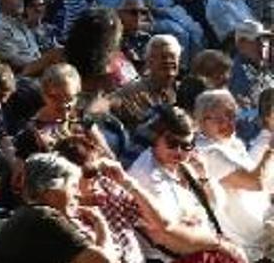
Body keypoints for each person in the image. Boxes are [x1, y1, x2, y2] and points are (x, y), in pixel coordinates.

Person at [127, 105, 248, 263]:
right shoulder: (146, 175)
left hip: (203, 246)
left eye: (186, 145)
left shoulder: (185, 165)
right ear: (155, 139)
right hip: (172, 257)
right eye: (172, 143)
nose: (179, 151)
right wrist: (220, 245)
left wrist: (203, 176)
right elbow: (171, 235)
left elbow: (215, 206)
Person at [0, 153, 116, 263]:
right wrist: (100, 224)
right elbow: (105, 261)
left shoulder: (28, 215)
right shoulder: (45, 218)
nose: (77, 195)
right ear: (52, 189)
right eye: (72, 187)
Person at [194, 90, 273, 261]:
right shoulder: (207, 152)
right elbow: (254, 183)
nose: (228, 123)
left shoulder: (233, 142)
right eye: (219, 119)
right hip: (244, 243)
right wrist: (270, 149)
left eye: (231, 116)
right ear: (201, 121)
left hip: (263, 230)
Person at [108, 34, 181, 132]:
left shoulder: (183, 90)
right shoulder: (132, 92)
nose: (168, 61)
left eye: (172, 56)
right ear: (149, 61)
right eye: (163, 57)